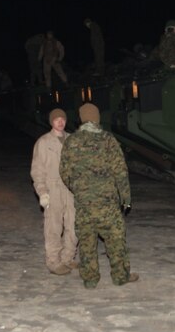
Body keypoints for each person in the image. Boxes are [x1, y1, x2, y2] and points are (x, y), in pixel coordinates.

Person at [60, 103, 137, 288]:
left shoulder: (71, 141)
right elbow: (120, 171)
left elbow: (64, 172)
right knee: (116, 240)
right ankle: (120, 276)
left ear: (81, 119)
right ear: (97, 118)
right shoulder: (108, 140)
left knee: (86, 242)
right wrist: (125, 197)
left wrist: (78, 188)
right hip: (107, 204)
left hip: (84, 203)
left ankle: (90, 279)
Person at [30, 108, 77, 275]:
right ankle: (53, 261)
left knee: (73, 225)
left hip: (71, 189)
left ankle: (67, 258)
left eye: (62, 118)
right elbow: (37, 170)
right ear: (51, 121)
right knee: (54, 227)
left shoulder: (72, 140)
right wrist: (42, 192)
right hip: (53, 188)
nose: (60, 121)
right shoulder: (43, 142)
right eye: (57, 119)